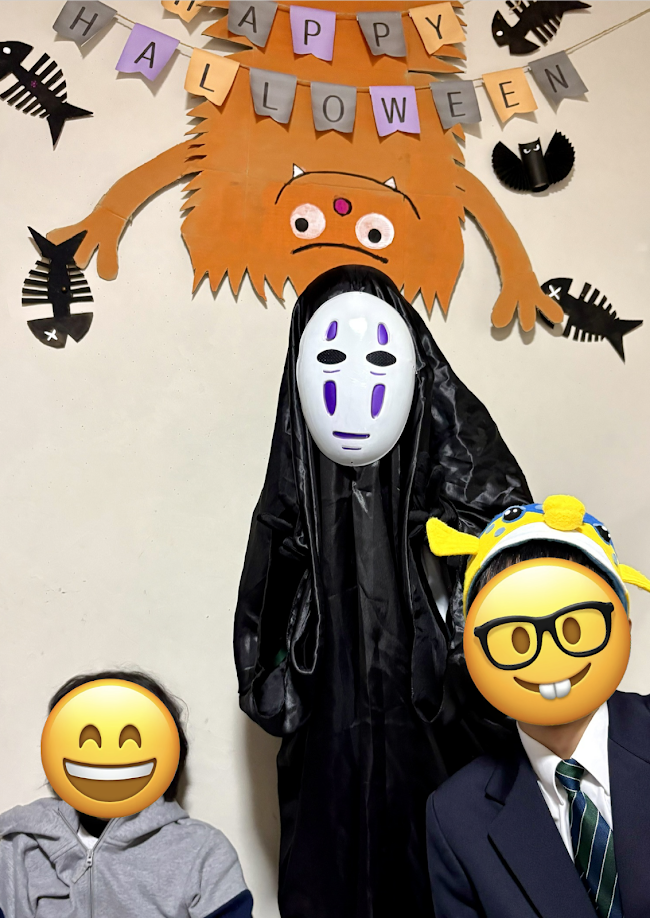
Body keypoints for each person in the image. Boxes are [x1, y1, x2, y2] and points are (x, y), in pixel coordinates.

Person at [234, 264, 533, 918]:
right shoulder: (299, 473)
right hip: (333, 716)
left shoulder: (454, 445)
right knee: (339, 861)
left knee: (448, 867)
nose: (355, 382)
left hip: (437, 714)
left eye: (376, 358)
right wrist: (295, 665)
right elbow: (267, 601)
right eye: (331, 359)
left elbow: (508, 549)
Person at [425, 495, 650, 918]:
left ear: (622, 627)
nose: (549, 656)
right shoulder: (455, 816)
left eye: (574, 628)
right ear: (474, 654)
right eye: (516, 638)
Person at [0, 670, 253, 918]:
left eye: (130, 739)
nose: (106, 754)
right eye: (86, 739)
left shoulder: (203, 850)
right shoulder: (22, 846)